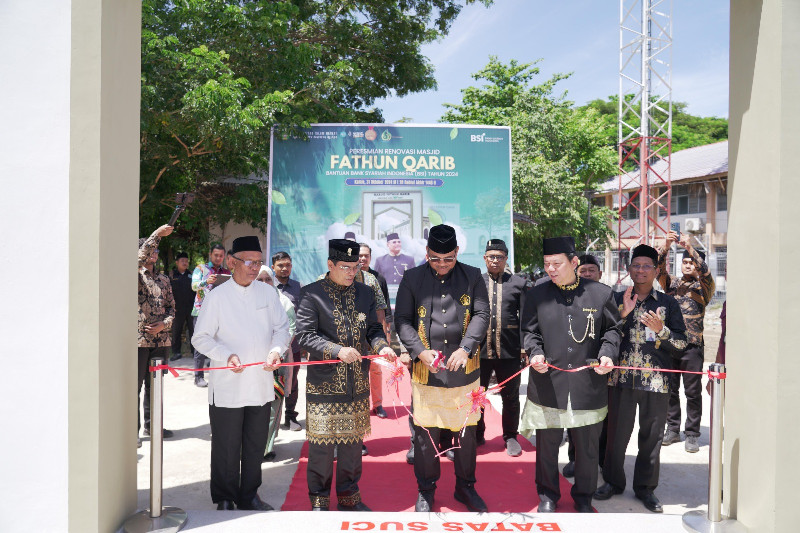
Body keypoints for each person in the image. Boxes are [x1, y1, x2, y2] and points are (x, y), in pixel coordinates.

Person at [520, 236, 621, 513]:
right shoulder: (537, 294)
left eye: (557, 264)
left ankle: (584, 497)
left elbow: (612, 330)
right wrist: (534, 351)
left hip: (587, 383)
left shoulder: (600, 293)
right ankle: (548, 495)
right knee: (547, 446)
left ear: (574, 262)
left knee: (587, 448)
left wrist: (608, 354)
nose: (550, 269)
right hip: (548, 382)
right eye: (546, 264)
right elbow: (529, 332)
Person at [395, 224, 491, 513]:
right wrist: (420, 352)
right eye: (435, 258)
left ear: (457, 253)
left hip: (465, 372)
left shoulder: (472, 275)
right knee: (426, 438)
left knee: (466, 435)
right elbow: (402, 319)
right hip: (427, 373)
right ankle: (426, 490)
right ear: (426, 253)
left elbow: (482, 313)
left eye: (448, 259)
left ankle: (465, 487)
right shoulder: (412, 278)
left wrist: (466, 347)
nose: (442, 265)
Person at [295, 239, 396, 511]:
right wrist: (336, 350)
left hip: (357, 384)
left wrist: (382, 346)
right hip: (324, 385)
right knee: (322, 448)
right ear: (330, 265)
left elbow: (373, 328)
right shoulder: (311, 293)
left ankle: (350, 499)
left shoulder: (365, 292)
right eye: (345, 267)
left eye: (355, 267)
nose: (351, 272)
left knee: (352, 447)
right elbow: (304, 335)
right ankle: (319, 501)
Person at [192, 236, 291, 511]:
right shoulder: (217, 296)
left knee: (254, 444)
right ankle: (225, 497)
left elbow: (282, 329)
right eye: (248, 262)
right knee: (226, 445)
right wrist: (226, 355)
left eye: (258, 262)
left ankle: (249, 495)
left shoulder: (268, 293)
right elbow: (200, 338)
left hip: (260, 383)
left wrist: (276, 350)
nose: (254, 267)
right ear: (232, 262)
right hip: (227, 384)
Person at [594, 244, 687, 513]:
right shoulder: (615, 297)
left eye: (647, 266)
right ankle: (613, 481)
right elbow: (602, 333)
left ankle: (646, 489)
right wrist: (622, 314)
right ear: (628, 269)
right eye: (636, 265)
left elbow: (682, 344)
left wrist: (662, 331)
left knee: (652, 437)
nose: (641, 270)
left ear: (657, 270)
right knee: (616, 435)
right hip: (620, 379)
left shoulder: (668, 304)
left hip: (656, 382)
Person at [658, 231, 715, 453]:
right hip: (671, 344)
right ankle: (672, 429)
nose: (688, 265)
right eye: (685, 262)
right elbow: (659, 269)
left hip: (692, 347)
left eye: (692, 262)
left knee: (693, 392)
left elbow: (707, 273)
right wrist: (666, 244)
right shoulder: (671, 284)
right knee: (671, 390)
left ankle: (692, 433)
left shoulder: (704, 288)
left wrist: (690, 247)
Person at [476, 239, 528, 458]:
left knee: (511, 396)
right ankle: (477, 434)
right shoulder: (475, 282)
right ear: (485, 258)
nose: (495, 260)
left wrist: (525, 348)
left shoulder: (519, 283)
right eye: (491, 256)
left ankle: (510, 436)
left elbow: (526, 317)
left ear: (506, 259)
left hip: (509, 350)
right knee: (476, 395)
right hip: (478, 351)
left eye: (499, 257)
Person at [563, 253, 606, 477]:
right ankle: (574, 458)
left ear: (600, 273)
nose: (587, 274)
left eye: (592, 270)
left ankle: (602, 461)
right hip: (579, 369)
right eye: (583, 271)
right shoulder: (572, 298)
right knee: (576, 418)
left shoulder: (611, 296)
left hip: (607, 368)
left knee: (603, 421)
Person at [138, 225, 176, 446]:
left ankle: (153, 426)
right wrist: (156, 235)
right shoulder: (134, 273)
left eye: (156, 250)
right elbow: (139, 258)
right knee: (136, 385)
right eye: (150, 249)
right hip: (140, 340)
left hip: (161, 340)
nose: (154, 253)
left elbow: (172, 308)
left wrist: (165, 324)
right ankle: (132, 431)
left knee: (156, 386)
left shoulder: (163, 280)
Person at [256, 266, 296, 462]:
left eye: (268, 279)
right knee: (254, 404)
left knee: (273, 404)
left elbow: (291, 329)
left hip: (277, 362)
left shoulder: (283, 301)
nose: (264, 283)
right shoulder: (247, 300)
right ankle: (252, 444)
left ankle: (267, 447)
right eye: (260, 279)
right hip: (252, 363)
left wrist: (277, 352)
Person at [191, 244, 231, 387]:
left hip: (220, 312)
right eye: (216, 255)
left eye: (221, 256)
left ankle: (218, 375)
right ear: (210, 254)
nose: (219, 258)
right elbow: (194, 286)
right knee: (201, 344)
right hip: (201, 311)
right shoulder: (200, 268)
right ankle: (198, 376)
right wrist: (205, 282)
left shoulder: (226, 272)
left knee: (220, 343)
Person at [359, 243, 391, 419]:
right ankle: (361, 405)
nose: (362, 258)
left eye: (366, 256)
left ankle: (378, 404)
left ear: (370, 257)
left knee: (376, 370)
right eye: (360, 255)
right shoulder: (346, 277)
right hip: (355, 336)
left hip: (374, 333)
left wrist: (386, 332)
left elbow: (383, 307)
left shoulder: (377, 278)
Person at [272, 251, 304, 431]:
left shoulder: (299, 287)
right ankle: (272, 419)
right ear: (273, 267)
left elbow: (302, 316)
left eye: (288, 265)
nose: (285, 269)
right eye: (281, 265)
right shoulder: (266, 286)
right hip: (270, 346)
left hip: (293, 346)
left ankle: (290, 416)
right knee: (272, 382)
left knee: (292, 381)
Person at [168, 252, 195, 361]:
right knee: (176, 331)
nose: (185, 263)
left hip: (191, 308)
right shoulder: (171, 275)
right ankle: (176, 353)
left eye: (186, 261)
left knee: (194, 331)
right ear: (177, 263)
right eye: (182, 261)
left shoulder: (192, 275)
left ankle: (195, 352)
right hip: (177, 308)